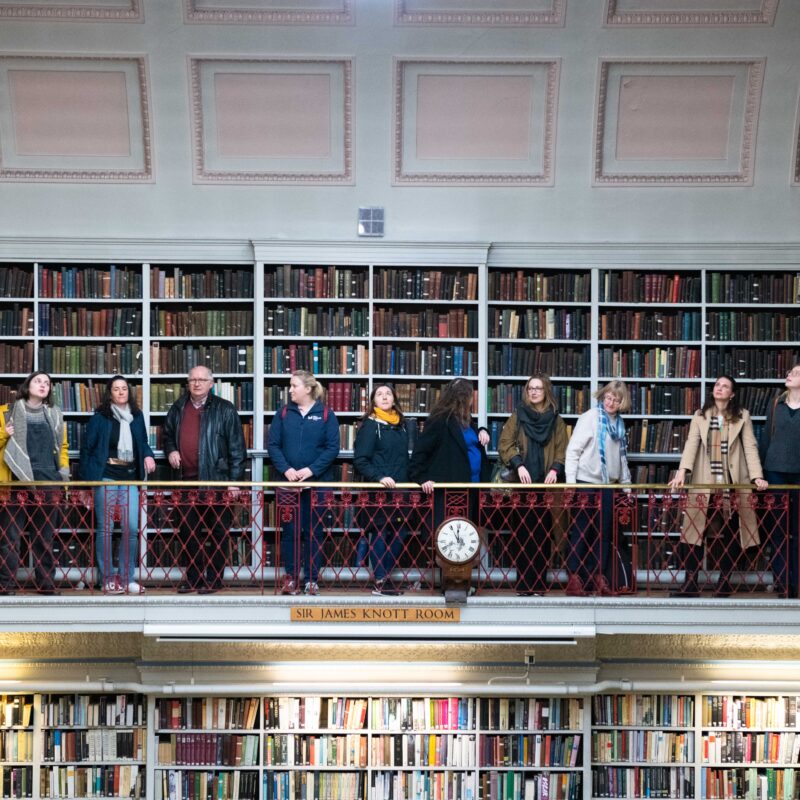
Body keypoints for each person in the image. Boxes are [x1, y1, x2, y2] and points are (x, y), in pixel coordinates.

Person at [669, 375, 767, 596]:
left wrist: (756, 477)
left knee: (731, 534)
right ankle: (690, 584)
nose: (719, 388)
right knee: (693, 533)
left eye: (725, 386)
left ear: (732, 394)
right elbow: (691, 444)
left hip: (731, 484)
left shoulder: (742, 416)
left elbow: (750, 447)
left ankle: (724, 583)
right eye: (717, 385)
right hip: (704, 483)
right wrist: (682, 472)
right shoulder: (700, 416)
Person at [162, 365, 246, 595]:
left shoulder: (225, 409)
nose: (197, 383)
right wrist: (170, 450)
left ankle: (214, 579)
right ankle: (194, 578)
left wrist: (234, 481)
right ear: (187, 383)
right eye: (192, 380)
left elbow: (237, 449)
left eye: (201, 379)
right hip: (185, 483)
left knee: (218, 532)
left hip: (216, 482)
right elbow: (167, 436)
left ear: (211, 383)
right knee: (189, 533)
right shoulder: (178, 408)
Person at [409, 378, 490, 593]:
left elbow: (471, 445)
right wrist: (422, 478)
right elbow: (420, 453)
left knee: (467, 538)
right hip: (449, 493)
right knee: (450, 538)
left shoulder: (468, 421)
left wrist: (482, 429)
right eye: (470, 394)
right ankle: (450, 584)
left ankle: (464, 582)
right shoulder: (439, 420)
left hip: (471, 491)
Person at [78, 376, 156, 594]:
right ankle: (108, 578)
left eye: (124, 388)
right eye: (116, 389)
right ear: (109, 393)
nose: (121, 392)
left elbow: (142, 443)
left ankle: (127, 578)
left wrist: (148, 455)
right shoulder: (100, 418)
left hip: (129, 475)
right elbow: (87, 450)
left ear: (128, 392)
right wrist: (86, 485)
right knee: (106, 528)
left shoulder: (137, 416)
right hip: (106, 475)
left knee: (131, 528)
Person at [267, 370, 339, 596]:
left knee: (314, 533)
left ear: (308, 389)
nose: (290, 390)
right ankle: (291, 579)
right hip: (288, 485)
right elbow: (273, 445)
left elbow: (332, 448)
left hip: (317, 485)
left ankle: (311, 580)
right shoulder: (283, 414)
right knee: (290, 532)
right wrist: (286, 469)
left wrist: (311, 470)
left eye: (294, 385)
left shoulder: (327, 414)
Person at [497, 373, 568, 595]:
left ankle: (539, 585)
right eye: (530, 389)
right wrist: (519, 464)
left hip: (547, 487)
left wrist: (556, 468)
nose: (534, 392)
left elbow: (563, 448)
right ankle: (524, 585)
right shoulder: (518, 415)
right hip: (522, 486)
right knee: (523, 534)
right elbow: (504, 443)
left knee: (544, 535)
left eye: (538, 388)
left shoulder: (556, 419)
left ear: (546, 391)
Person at [0, 371, 70, 595]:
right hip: (16, 481)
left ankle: (46, 583)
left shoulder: (55, 414)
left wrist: (63, 476)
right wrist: (3, 433)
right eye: (38, 381)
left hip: (48, 481)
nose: (43, 385)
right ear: (27, 385)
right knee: (10, 536)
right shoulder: (6, 413)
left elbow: (63, 448)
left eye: (47, 383)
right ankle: (5, 584)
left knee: (45, 536)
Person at [564, 380, 632, 597]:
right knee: (581, 531)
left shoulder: (619, 425)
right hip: (585, 483)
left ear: (622, 402)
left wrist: (628, 488)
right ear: (603, 396)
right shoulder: (590, 418)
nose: (611, 402)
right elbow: (573, 451)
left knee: (603, 534)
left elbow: (622, 461)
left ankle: (598, 577)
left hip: (608, 486)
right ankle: (574, 578)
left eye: (616, 399)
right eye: (608, 398)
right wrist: (570, 483)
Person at [354, 383, 411, 596]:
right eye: (379, 394)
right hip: (379, 491)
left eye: (388, 393)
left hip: (401, 490)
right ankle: (380, 580)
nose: (385, 396)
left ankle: (385, 577)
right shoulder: (370, 425)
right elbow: (360, 459)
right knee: (379, 533)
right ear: (373, 402)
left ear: (394, 399)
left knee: (400, 533)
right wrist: (379, 477)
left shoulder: (402, 425)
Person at [760, 365, 800, 597]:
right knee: (778, 530)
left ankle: (797, 582)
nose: (789, 374)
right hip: (775, 471)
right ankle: (782, 582)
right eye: (790, 372)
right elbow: (766, 438)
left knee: (797, 530)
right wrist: (761, 474)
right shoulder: (776, 404)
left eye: (796, 373)